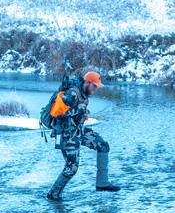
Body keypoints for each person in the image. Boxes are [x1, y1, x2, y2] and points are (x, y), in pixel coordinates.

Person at [47, 69, 120, 201]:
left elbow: (75, 112)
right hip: (66, 134)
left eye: (97, 86)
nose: (95, 89)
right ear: (87, 82)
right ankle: (53, 196)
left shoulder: (84, 94)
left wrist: (82, 114)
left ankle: (102, 183)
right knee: (71, 168)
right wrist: (78, 110)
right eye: (94, 86)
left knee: (103, 146)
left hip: (78, 131)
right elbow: (57, 114)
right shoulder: (72, 94)